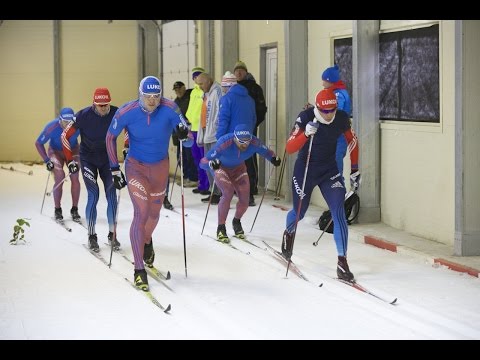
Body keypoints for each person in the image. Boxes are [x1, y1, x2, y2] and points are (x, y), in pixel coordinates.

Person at [105, 76, 192, 291]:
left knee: (154, 215)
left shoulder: (170, 108)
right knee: (141, 213)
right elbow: (110, 137)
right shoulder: (127, 111)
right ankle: (139, 269)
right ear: (140, 94)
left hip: (160, 168)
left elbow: (189, 138)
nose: (152, 101)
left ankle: (146, 241)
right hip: (136, 167)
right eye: (148, 96)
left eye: (156, 96)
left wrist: (184, 134)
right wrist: (114, 168)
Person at [281, 88, 360, 282]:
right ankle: (288, 233)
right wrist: (305, 135)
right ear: (317, 108)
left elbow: (353, 141)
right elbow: (289, 148)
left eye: (332, 110)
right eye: (325, 111)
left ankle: (342, 262)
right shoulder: (306, 116)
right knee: (300, 211)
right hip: (306, 169)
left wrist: (355, 169)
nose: (329, 114)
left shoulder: (340, 118)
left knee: (338, 210)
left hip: (329, 170)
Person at [61, 88, 121, 252]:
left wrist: (127, 148)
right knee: (93, 194)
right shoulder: (82, 115)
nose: (103, 108)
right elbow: (65, 136)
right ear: (94, 104)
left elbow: (130, 129)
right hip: (88, 160)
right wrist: (69, 160)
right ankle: (92, 235)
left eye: (106, 105)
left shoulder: (117, 112)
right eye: (100, 105)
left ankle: (112, 234)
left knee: (112, 196)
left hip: (108, 159)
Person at [200, 124, 281, 243]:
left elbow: (267, 152)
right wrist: (212, 164)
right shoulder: (224, 142)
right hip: (221, 168)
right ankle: (221, 228)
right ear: (234, 138)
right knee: (227, 192)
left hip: (238, 169)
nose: (244, 145)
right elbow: (203, 162)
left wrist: (274, 158)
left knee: (245, 199)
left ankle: (236, 222)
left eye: (247, 142)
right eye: (241, 142)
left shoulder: (254, 142)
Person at [35, 107, 81, 222]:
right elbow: (38, 143)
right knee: (59, 175)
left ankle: (74, 209)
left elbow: (87, 138)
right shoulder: (52, 127)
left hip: (73, 150)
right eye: (65, 122)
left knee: (74, 175)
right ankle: (57, 209)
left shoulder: (78, 125)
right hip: (55, 152)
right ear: (59, 120)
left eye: (70, 122)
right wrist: (46, 160)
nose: (67, 125)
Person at [233, 61, 267, 202]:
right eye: (237, 71)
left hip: (249, 128)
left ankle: (251, 187)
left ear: (246, 72)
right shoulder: (233, 88)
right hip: (234, 129)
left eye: (241, 70)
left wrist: (253, 124)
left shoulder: (254, 88)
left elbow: (261, 109)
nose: (239, 73)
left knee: (249, 157)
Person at [196, 72, 223, 205]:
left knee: (215, 165)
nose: (199, 86)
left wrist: (217, 131)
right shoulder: (206, 94)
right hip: (206, 133)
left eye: (201, 83)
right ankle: (213, 191)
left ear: (209, 80)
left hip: (214, 134)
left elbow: (220, 112)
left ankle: (219, 192)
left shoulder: (217, 91)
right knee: (207, 164)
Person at [322, 64, 352, 176]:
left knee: (336, 172)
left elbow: (333, 112)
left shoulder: (338, 94)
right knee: (332, 170)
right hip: (335, 136)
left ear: (330, 81)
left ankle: (339, 193)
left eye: (324, 80)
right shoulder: (335, 92)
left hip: (340, 136)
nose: (322, 83)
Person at [186, 67, 210, 197]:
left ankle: (207, 185)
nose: (196, 79)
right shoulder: (194, 92)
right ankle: (201, 183)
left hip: (202, 129)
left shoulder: (204, 92)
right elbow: (191, 109)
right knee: (196, 158)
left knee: (203, 158)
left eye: (198, 76)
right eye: (194, 76)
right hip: (193, 128)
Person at [172, 81, 197, 190]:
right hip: (179, 132)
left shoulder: (190, 96)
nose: (178, 91)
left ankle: (193, 178)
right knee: (180, 157)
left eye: (179, 89)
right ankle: (186, 176)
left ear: (184, 88)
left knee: (189, 155)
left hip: (189, 131)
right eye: (176, 90)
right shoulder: (176, 102)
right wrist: (174, 137)